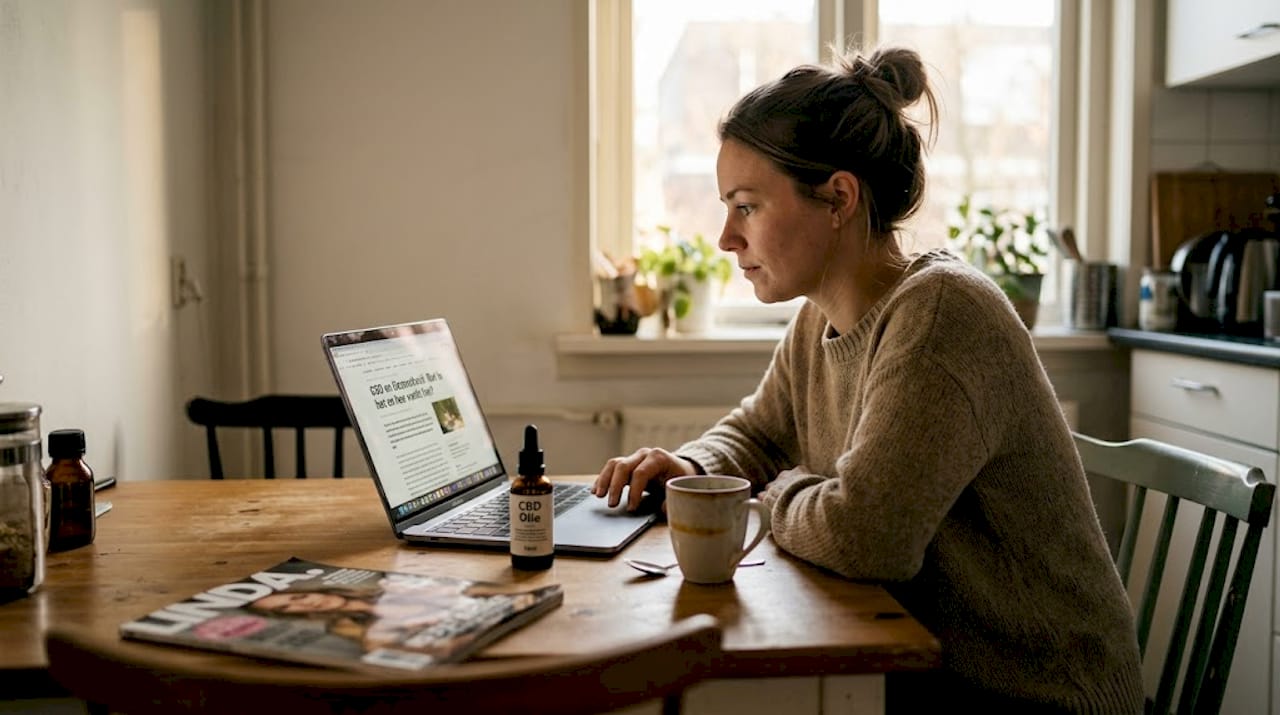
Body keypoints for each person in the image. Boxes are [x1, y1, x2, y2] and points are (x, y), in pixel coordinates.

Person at [592, 46, 1144, 713]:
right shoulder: (820, 316)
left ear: (838, 198)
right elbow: (760, 432)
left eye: (747, 207)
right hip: (926, 674)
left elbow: (866, 536)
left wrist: (771, 495)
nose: (725, 239)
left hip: (1039, 695)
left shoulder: (941, 313)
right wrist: (691, 468)